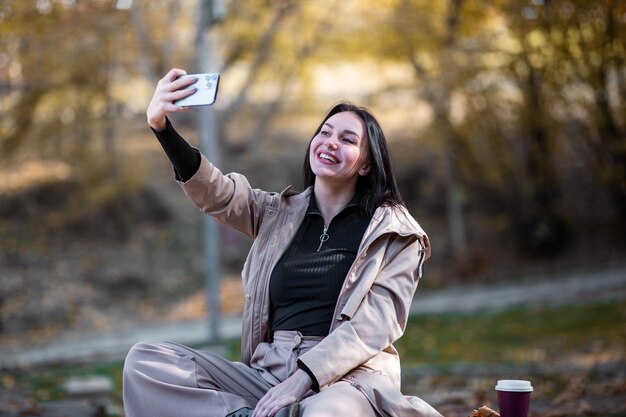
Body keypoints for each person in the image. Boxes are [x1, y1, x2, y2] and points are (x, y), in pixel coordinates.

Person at [122, 68, 443, 417]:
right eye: (324, 132)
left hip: (350, 379)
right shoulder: (276, 213)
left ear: (367, 165)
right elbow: (217, 193)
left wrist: (306, 376)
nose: (331, 142)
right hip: (269, 373)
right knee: (145, 362)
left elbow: (375, 326)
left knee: (325, 414)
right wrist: (162, 128)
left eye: (348, 140)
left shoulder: (395, 233)